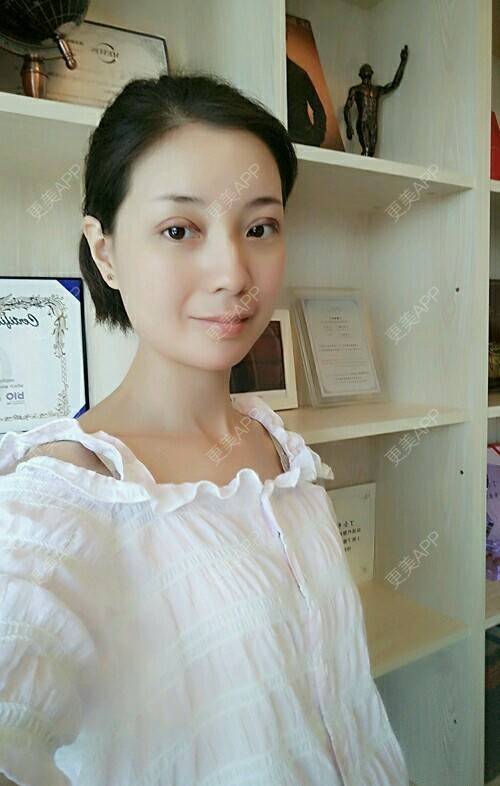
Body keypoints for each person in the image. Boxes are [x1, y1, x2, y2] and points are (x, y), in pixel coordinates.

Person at [0, 71, 409, 786]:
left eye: (259, 228)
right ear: (105, 251)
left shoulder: (278, 445)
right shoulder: (67, 500)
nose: (233, 272)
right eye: (179, 230)